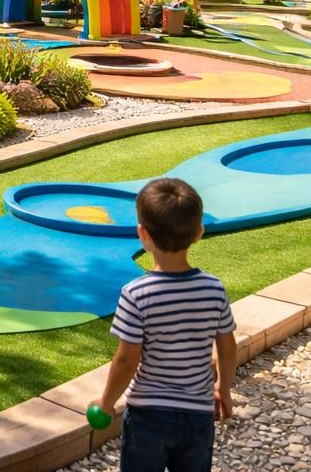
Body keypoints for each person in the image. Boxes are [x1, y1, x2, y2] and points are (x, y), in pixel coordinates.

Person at [93, 178, 236, 472]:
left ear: (142, 234)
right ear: (199, 233)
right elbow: (227, 346)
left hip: (149, 415)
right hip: (198, 413)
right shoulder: (213, 288)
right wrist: (224, 387)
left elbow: (126, 361)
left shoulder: (136, 294)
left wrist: (106, 403)